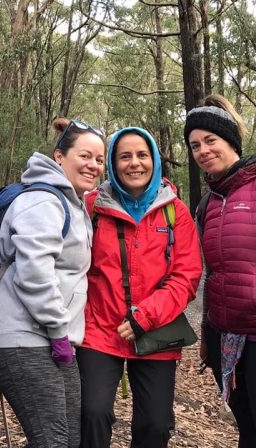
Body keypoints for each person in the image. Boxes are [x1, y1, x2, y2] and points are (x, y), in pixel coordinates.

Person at [0, 118, 106, 447]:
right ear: (59, 156)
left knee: (68, 438)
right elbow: (35, 273)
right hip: (19, 338)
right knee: (53, 441)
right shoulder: (43, 202)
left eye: (99, 159)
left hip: (48, 338)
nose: (93, 165)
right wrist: (59, 329)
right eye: (85, 156)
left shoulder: (73, 203)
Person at [78, 127, 202, 448]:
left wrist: (145, 316)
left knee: (155, 425)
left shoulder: (176, 212)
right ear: (113, 163)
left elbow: (186, 275)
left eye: (142, 155)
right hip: (98, 330)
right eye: (125, 156)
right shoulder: (91, 206)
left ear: (154, 160)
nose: (135, 163)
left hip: (156, 329)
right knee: (91, 414)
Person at [185, 94, 256, 448]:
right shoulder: (206, 203)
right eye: (195, 145)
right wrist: (206, 333)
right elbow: (211, 274)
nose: (203, 150)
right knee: (246, 426)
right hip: (226, 340)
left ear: (231, 141)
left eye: (210, 140)